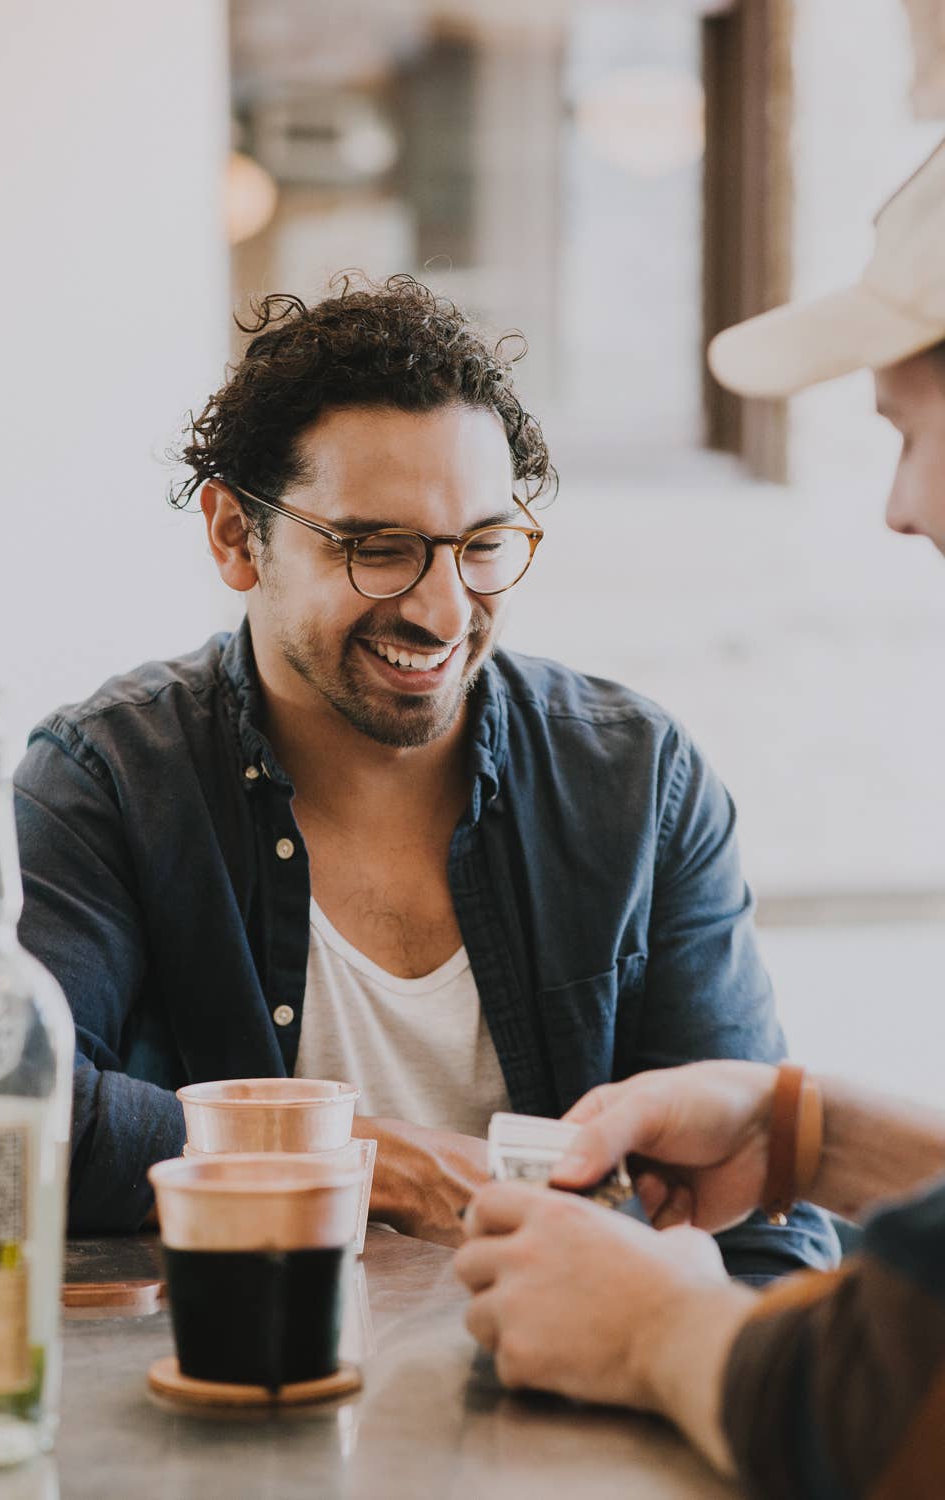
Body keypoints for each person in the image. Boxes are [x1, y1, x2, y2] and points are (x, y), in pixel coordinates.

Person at [14, 275, 832, 1277]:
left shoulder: (637, 785)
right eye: (379, 549)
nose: (445, 612)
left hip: (571, 1396)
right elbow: (7, 1111)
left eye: (482, 545)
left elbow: (759, 1222)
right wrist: (363, 1161)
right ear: (235, 534)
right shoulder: (110, 781)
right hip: (231, 1397)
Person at [457, 141, 945, 1497]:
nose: (902, 510)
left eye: (910, 430)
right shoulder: (111, 762)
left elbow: (901, 1406)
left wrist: (655, 1326)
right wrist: (814, 1132)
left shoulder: (636, 769)